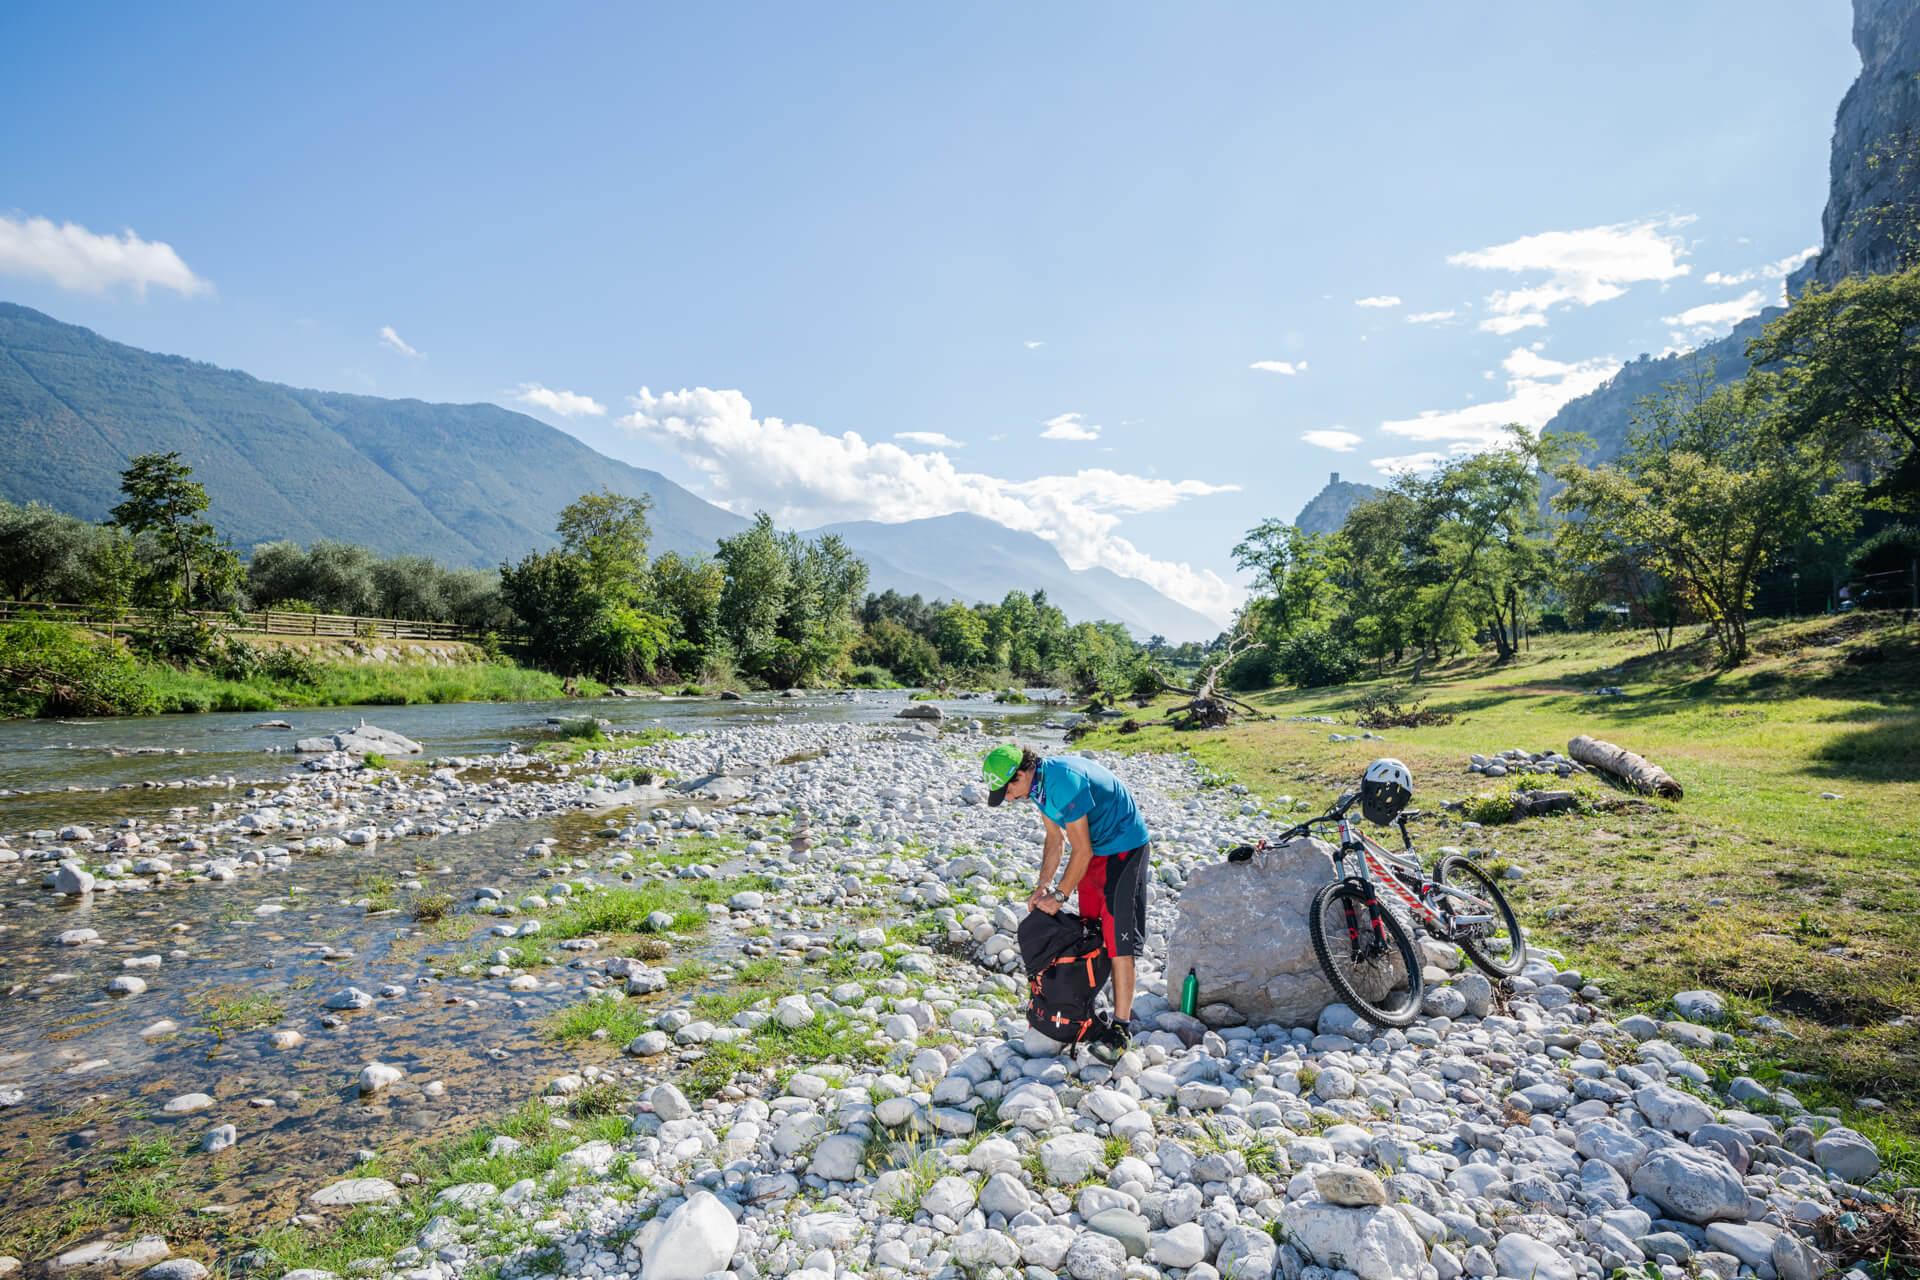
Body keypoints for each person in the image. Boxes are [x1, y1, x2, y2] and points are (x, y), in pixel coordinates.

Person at [982, 743, 1151, 1059]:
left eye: (1006, 790)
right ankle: (1086, 1009)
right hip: (1097, 849)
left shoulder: (1063, 782)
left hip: (1124, 847)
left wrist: (1060, 896)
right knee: (1091, 932)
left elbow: (1081, 850)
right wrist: (1043, 886)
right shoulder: (1037, 787)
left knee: (1117, 940)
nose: (1007, 797)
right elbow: (1054, 839)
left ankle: (1120, 1028)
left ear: (1020, 774)